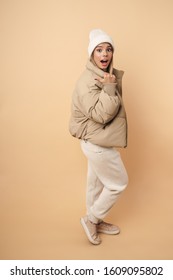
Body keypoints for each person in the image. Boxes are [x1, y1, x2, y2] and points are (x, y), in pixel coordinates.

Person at [69, 29, 128, 245]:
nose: (104, 55)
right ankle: (92, 219)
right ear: (91, 54)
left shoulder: (102, 75)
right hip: (96, 143)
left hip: (96, 140)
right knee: (118, 183)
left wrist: (109, 82)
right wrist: (110, 87)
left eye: (108, 49)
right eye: (99, 50)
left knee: (95, 184)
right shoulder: (88, 81)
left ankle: (96, 220)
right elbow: (101, 115)